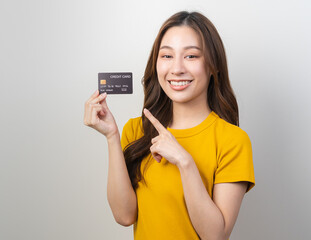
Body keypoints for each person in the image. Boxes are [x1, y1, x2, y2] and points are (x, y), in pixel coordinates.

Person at [84, 11, 255, 240]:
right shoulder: (136, 131)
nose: (176, 69)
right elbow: (124, 216)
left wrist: (185, 162)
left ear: (214, 65)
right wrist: (112, 136)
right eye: (166, 56)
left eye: (191, 56)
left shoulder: (233, 141)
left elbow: (216, 236)